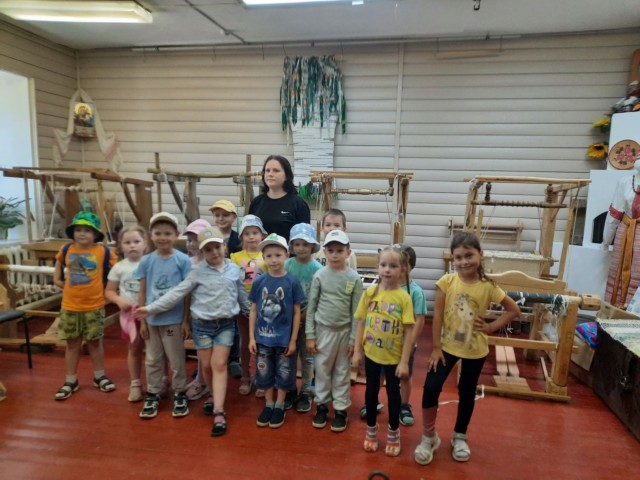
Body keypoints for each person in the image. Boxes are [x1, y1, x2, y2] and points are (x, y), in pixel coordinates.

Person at [414, 232, 520, 465]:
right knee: (431, 387)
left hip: (475, 351)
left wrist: (491, 327)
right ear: (453, 259)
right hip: (446, 348)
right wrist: (436, 347)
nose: (464, 262)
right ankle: (429, 437)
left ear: (480, 254)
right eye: (458, 257)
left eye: (469, 255)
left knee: (466, 392)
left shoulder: (489, 286)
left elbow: (514, 310)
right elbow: (437, 315)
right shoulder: (447, 282)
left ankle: (460, 436)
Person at [136, 226, 250, 436]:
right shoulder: (197, 271)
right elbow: (176, 293)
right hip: (202, 326)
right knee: (206, 366)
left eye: (217, 247)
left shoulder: (234, 270)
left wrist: (254, 318)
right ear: (202, 252)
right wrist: (150, 309)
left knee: (219, 364)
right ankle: (212, 394)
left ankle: (219, 410)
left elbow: (242, 297)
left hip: (226, 324)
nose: (214, 252)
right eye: (208, 249)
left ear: (224, 247)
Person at [53, 211, 117, 401]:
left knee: (95, 343)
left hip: (94, 306)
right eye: (78, 229)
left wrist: (110, 291)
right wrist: (60, 282)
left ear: (95, 234)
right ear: (73, 232)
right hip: (70, 306)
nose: (82, 233)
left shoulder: (103, 251)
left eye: (87, 230)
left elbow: (118, 270)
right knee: (72, 344)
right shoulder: (66, 249)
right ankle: (70, 380)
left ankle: (99, 376)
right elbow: (58, 269)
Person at [134, 212, 191, 419]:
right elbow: (142, 291)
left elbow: (187, 292)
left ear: (176, 235)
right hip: (152, 321)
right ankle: (154, 392)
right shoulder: (146, 261)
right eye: (158, 233)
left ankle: (180, 391)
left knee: (176, 358)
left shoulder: (182, 260)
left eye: (167, 233)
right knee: (152, 358)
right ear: (151, 235)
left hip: (173, 320)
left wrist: (185, 320)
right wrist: (142, 321)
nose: (162, 237)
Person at [306, 229, 363, 432]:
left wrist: (353, 340)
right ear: (325, 252)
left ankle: (340, 409)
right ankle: (321, 405)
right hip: (323, 332)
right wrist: (310, 335)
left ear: (348, 252)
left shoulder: (354, 278)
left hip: (344, 333)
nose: (335, 254)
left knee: (341, 372)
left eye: (340, 250)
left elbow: (357, 313)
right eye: (330, 250)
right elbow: (311, 307)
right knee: (321, 370)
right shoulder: (319, 276)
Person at [248, 233, 305, 429]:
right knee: (264, 373)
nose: (273, 260)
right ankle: (269, 404)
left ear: (286, 255)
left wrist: (293, 340)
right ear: (263, 257)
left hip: (284, 341)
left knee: (284, 373)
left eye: (278, 255)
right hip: (262, 340)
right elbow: (254, 310)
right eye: (269, 256)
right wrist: (251, 338)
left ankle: (280, 405)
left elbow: (297, 312)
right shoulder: (259, 282)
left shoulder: (292, 282)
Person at [105, 225, 149, 402]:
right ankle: (135, 383)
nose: (132, 246)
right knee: (134, 348)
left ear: (145, 244)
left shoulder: (151, 263)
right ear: (120, 246)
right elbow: (109, 291)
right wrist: (118, 300)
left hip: (151, 313)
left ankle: (159, 381)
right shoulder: (119, 267)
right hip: (130, 316)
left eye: (137, 241)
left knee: (156, 349)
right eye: (127, 242)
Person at [284, 223, 323, 413]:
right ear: (292, 246)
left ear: (312, 246)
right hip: (288, 319)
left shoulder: (317, 269)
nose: (301, 248)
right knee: (289, 355)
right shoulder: (287, 265)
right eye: (297, 244)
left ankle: (306, 390)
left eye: (305, 244)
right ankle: (290, 388)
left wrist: (304, 316)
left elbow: (318, 297)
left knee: (307, 357)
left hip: (309, 319)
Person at [230, 214, 267, 396]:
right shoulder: (235, 257)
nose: (251, 237)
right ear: (241, 237)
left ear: (262, 235)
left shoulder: (266, 256)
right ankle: (245, 375)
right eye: (247, 233)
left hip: (263, 308)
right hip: (243, 308)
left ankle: (261, 376)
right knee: (245, 342)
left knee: (261, 343)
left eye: (255, 233)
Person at [182, 218, 213, 402]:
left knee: (208, 351)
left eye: (196, 240)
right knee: (201, 348)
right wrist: (185, 318)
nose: (192, 244)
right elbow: (185, 293)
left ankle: (204, 381)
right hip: (195, 313)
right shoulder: (187, 263)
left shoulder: (212, 263)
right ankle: (201, 379)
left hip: (212, 315)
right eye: (189, 240)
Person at [601, 161, 640, 307]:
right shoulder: (624, 182)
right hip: (625, 231)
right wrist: (606, 241)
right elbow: (615, 214)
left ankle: (634, 311)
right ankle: (615, 308)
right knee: (618, 268)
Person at [248, 155, 310, 241]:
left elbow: (305, 239)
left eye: (276, 170)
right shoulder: (256, 203)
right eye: (267, 170)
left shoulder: (298, 204)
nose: (270, 174)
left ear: (287, 175)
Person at [398, 244, 427, 427]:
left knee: (405, 376)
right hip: (387, 342)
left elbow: (420, 320)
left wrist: (411, 344)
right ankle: (374, 401)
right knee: (381, 374)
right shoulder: (385, 287)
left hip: (405, 344)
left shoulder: (415, 292)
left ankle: (404, 405)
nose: (400, 268)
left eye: (404, 264)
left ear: (411, 267)